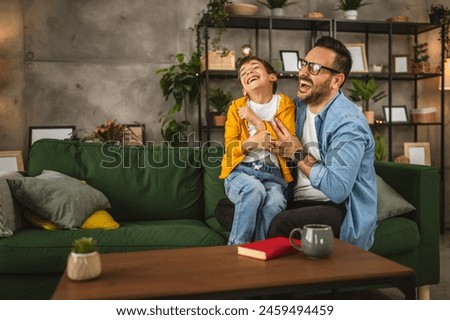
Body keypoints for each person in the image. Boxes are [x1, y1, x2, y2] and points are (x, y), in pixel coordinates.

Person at [268, 36, 377, 250]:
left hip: (335, 207)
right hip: (296, 199)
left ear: (336, 80)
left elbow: (337, 189)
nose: (303, 73)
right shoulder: (297, 107)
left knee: (281, 224)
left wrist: (297, 154)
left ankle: (272, 281)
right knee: (230, 207)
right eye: (304, 64)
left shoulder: (348, 122)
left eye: (315, 68)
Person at [219, 55, 295, 245]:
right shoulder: (237, 107)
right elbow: (230, 148)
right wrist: (252, 142)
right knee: (254, 189)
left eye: (255, 67)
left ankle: (260, 249)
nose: (249, 72)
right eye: (243, 73)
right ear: (244, 89)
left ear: (272, 77)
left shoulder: (285, 104)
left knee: (275, 202)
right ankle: (236, 248)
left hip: (273, 175)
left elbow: (287, 144)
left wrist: (257, 122)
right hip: (241, 172)